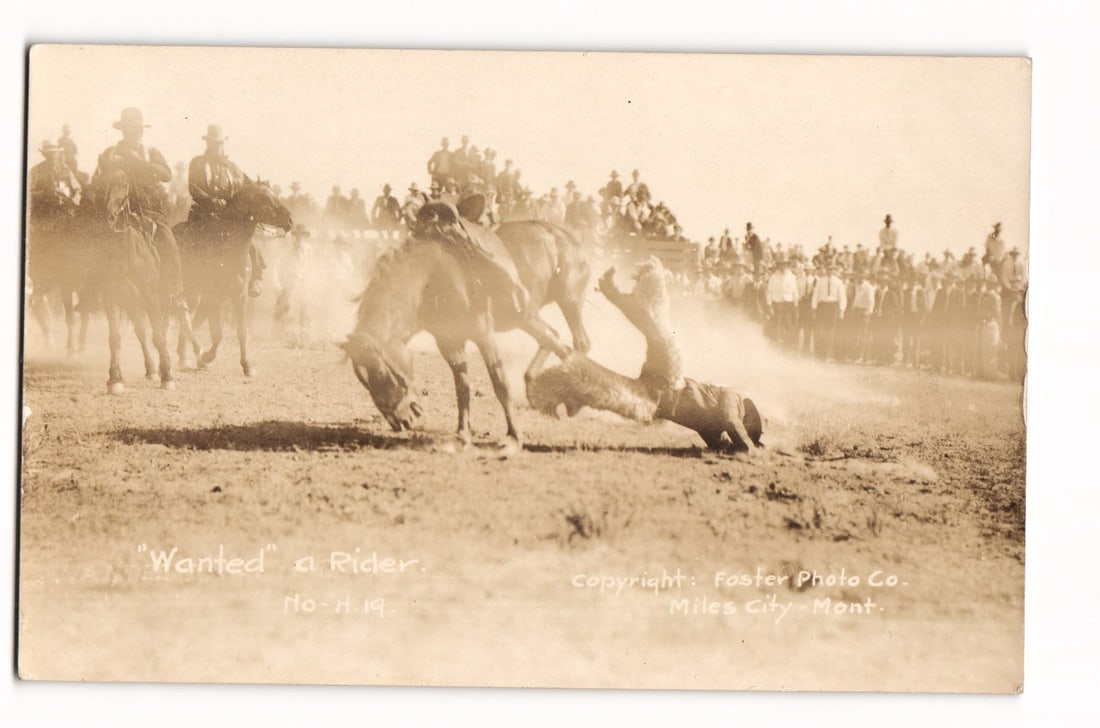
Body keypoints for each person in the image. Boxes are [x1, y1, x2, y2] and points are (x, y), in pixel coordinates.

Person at [93, 107, 186, 311]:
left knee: (170, 248)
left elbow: (166, 174)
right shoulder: (111, 154)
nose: (136, 132)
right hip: (119, 213)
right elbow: (97, 180)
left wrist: (140, 163)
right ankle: (92, 294)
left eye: (138, 128)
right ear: (123, 130)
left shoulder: (150, 152)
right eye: (131, 128)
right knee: (95, 244)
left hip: (151, 210)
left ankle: (176, 294)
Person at [186, 124, 267, 296]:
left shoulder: (232, 168)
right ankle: (188, 281)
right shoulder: (198, 163)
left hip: (228, 218)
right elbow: (193, 187)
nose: (218, 147)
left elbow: (244, 187)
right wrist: (211, 200)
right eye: (215, 143)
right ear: (208, 143)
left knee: (249, 240)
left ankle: (256, 278)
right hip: (204, 214)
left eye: (221, 143)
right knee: (191, 243)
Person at [29, 140, 82, 226]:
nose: (52, 156)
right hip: (44, 214)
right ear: (44, 155)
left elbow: (78, 188)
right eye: (49, 154)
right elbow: (28, 194)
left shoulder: (65, 169)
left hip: (65, 213)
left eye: (54, 153)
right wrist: (45, 193)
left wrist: (75, 199)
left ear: (58, 153)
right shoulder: (36, 171)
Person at [811, 263, 847, 361]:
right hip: (822, 306)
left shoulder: (838, 282)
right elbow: (816, 295)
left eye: (832, 269)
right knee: (820, 331)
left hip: (833, 307)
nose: (830, 271)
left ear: (834, 270)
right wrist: (814, 308)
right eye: (828, 269)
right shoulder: (820, 281)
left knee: (830, 332)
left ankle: (826, 355)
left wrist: (841, 310)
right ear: (826, 270)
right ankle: (820, 354)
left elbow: (842, 297)